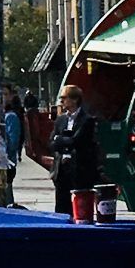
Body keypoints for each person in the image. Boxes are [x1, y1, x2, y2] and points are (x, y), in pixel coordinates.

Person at [49, 84, 103, 214]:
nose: (61, 101)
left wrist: (60, 139)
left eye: (64, 98)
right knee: (61, 207)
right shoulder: (60, 120)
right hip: (61, 171)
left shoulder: (87, 120)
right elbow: (51, 143)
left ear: (74, 99)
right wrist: (60, 141)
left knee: (80, 208)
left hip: (79, 171)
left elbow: (77, 141)